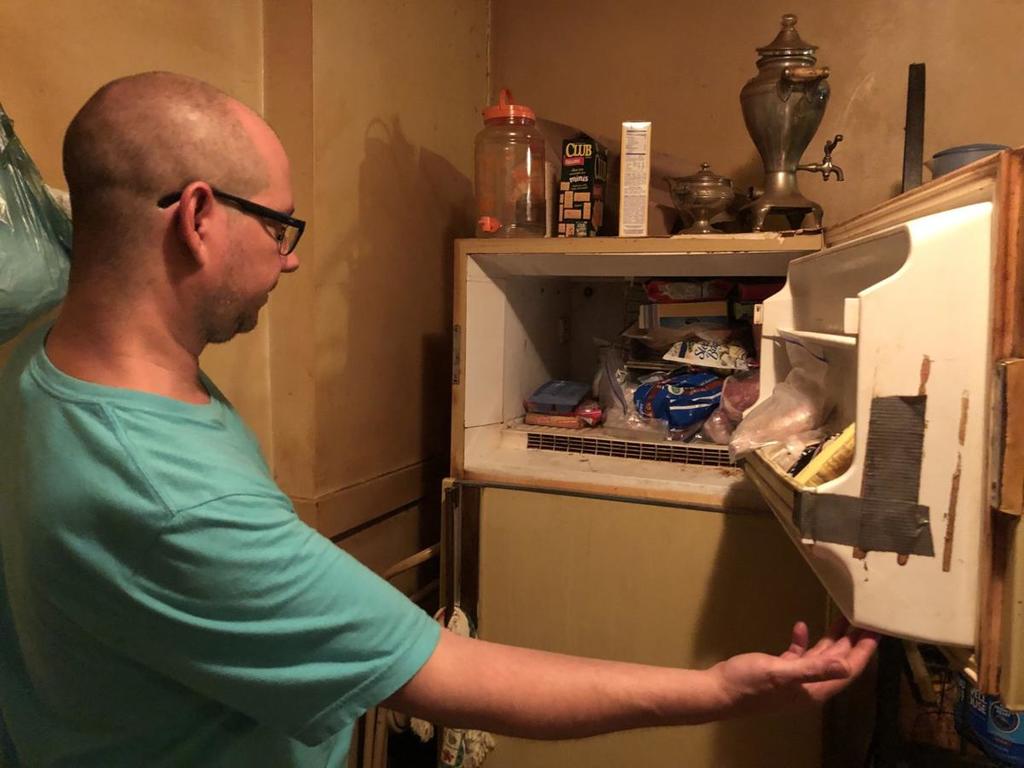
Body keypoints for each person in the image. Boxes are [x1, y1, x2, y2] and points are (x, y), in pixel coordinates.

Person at [0, 72, 877, 767]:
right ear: (197, 216)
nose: (291, 259)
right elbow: (453, 673)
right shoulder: (177, 500)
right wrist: (718, 692)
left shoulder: (39, 358)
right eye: (278, 227)